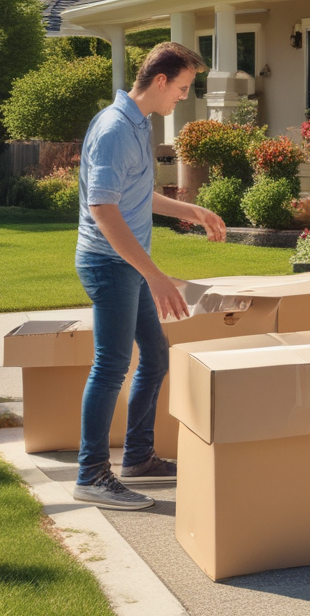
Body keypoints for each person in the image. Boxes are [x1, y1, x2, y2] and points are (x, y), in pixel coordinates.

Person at [73, 42, 226, 511]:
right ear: (160, 81)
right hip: (110, 264)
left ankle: (137, 457)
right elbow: (103, 208)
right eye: (181, 88)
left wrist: (191, 210)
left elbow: (137, 193)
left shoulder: (138, 124)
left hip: (128, 265)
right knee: (112, 365)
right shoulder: (118, 129)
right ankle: (92, 474)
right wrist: (156, 276)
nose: (183, 97)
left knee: (155, 357)